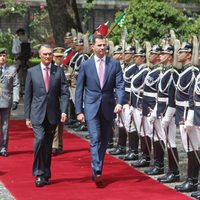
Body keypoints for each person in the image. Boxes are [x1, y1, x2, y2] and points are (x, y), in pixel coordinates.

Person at [75, 34, 125, 188]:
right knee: (95, 138)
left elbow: (120, 85)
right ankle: (97, 170)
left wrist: (120, 102)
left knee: (104, 141)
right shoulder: (86, 65)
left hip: (108, 107)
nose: (103, 48)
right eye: (100, 45)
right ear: (93, 47)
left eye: (104, 45)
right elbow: (79, 89)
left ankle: (97, 170)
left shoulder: (114, 64)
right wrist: (79, 111)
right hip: (91, 107)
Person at [24, 44, 69, 187]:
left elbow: (64, 93)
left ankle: (46, 173)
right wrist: (27, 116)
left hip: (52, 114)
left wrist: (63, 111)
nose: (48, 56)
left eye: (50, 54)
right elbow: (28, 95)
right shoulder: (32, 72)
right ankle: (38, 172)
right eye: (45, 54)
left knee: (48, 145)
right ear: (39, 55)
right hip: (37, 113)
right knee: (39, 140)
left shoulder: (58, 71)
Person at [0, 48, 20, 157]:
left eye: (4, 55)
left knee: (5, 126)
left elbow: (16, 85)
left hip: (5, 101)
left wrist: (16, 99)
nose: (2, 58)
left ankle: (3, 148)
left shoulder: (11, 69)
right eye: (0, 56)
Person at [51, 47, 66, 156]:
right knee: (55, 122)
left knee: (61, 123)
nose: (59, 59)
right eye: (57, 57)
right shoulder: (51, 69)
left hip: (64, 99)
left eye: (61, 57)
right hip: (54, 99)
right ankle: (54, 145)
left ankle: (59, 144)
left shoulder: (66, 68)